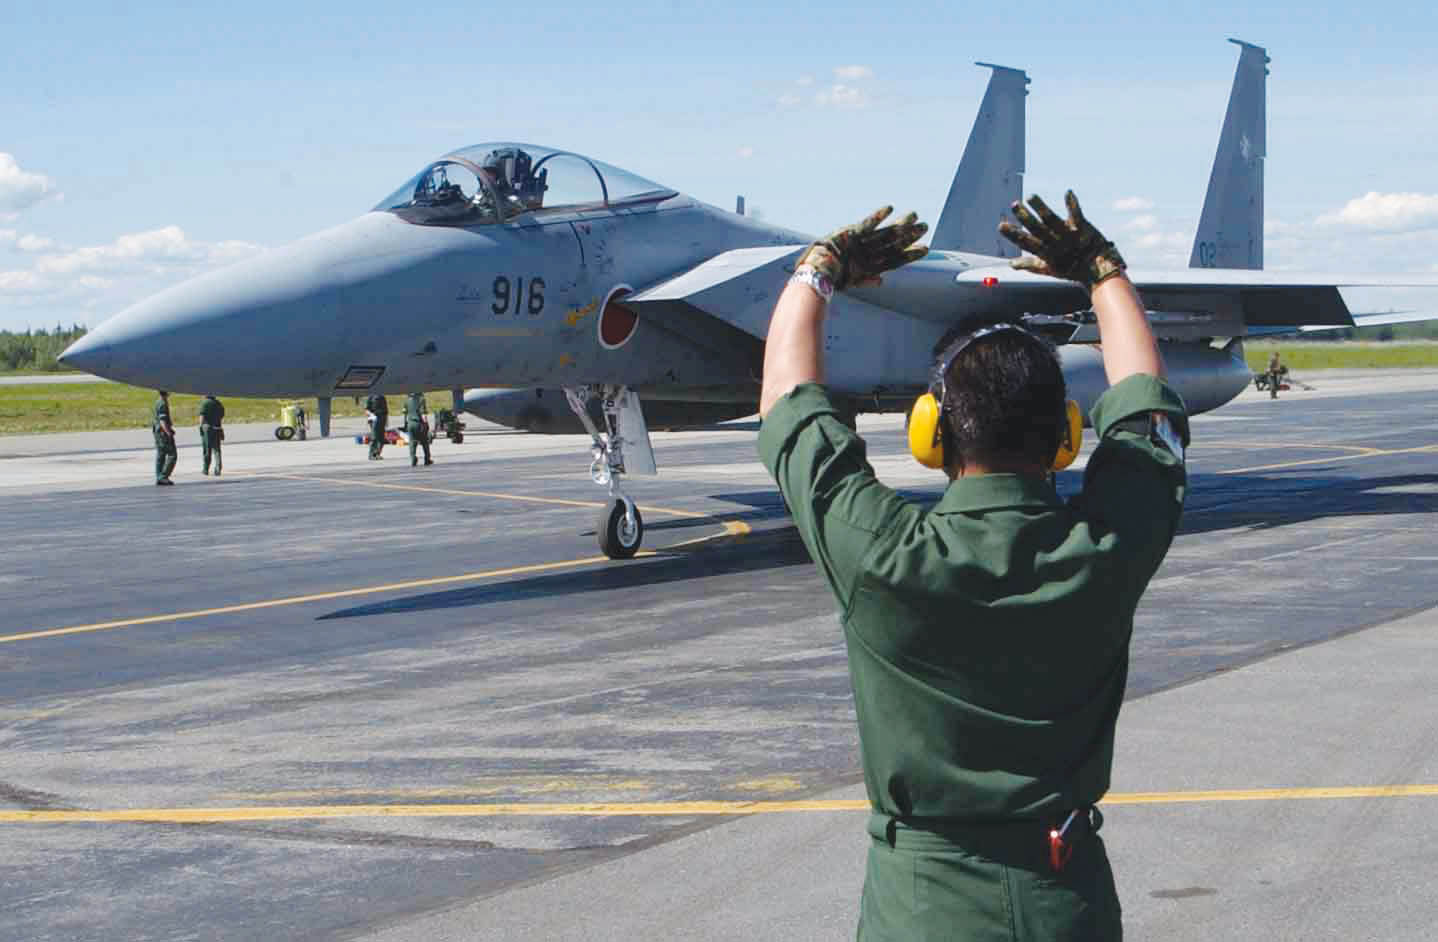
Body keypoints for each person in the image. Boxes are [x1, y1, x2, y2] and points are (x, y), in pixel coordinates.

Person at [758, 193, 1188, 940]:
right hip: (1066, 901)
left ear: (933, 434)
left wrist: (817, 272)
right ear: (1065, 435)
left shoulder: (884, 553)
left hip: (923, 907)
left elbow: (789, 408)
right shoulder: (1105, 546)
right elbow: (1147, 418)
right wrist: (1104, 272)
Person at [152, 390, 177, 485]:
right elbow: (162, 421)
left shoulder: (158, 401)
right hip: (163, 433)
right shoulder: (162, 403)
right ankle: (164, 476)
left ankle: (159, 477)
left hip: (158, 432)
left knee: (161, 455)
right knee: (172, 455)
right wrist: (168, 432)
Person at [404, 391, 433, 467]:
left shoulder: (407, 400)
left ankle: (413, 458)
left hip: (410, 423)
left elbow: (405, 413)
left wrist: (406, 424)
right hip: (419, 423)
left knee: (412, 442)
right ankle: (427, 459)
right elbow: (423, 414)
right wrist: (426, 424)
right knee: (424, 442)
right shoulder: (421, 399)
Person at [198, 394, 225, 476]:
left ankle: (205, 469)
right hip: (217, 427)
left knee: (207, 449)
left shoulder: (204, 403)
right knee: (217, 450)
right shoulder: (219, 403)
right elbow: (221, 416)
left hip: (207, 428)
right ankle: (218, 468)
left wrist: (200, 427)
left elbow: (202, 416)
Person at [365, 393, 389, 460]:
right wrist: (372, 415)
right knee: (374, 437)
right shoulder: (371, 396)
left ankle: (377, 454)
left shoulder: (382, 396)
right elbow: (367, 410)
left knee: (381, 438)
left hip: (382, 419)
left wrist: (386, 421)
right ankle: (371, 455)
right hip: (374, 419)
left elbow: (386, 411)